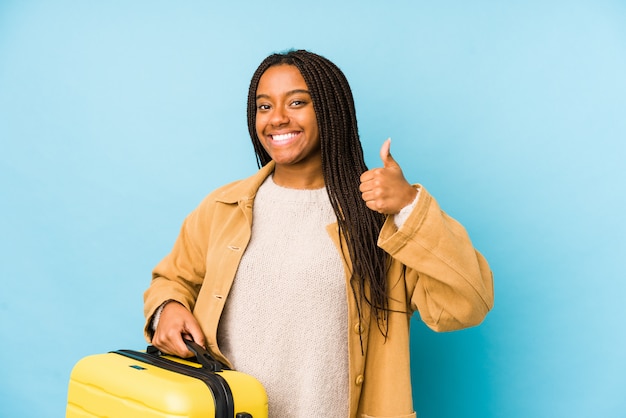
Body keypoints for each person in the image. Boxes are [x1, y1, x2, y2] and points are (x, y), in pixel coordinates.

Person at [143, 49, 494, 418]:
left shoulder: (377, 220)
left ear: (331, 110)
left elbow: (465, 305)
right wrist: (168, 308)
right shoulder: (222, 207)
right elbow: (171, 279)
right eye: (264, 106)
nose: (277, 118)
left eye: (297, 102)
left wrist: (409, 205)